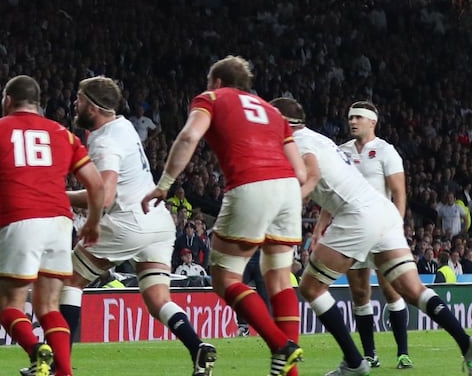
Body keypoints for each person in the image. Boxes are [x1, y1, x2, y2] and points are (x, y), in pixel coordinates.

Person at [270, 97, 472, 376]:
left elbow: (313, 176)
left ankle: (355, 361)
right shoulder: (322, 140)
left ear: (283, 121)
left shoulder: (299, 143)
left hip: (356, 215)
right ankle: (466, 344)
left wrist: (285, 204)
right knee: (412, 290)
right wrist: (318, 227)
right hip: (381, 213)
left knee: (311, 287)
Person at [142, 56, 306, 376]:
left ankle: (281, 345)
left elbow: (189, 137)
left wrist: (164, 184)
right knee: (279, 279)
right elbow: (300, 171)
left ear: (217, 81)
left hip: (250, 183)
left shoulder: (211, 98)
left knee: (225, 277)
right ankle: (289, 372)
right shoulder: (272, 111)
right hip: (288, 188)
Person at [59, 76, 215, 376]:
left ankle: (58, 366)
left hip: (127, 222)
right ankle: (197, 347)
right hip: (157, 221)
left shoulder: (104, 141)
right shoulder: (124, 126)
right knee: (158, 300)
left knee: (69, 282)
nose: (75, 104)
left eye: (79, 99)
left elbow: (104, 197)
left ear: (93, 106)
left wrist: (59, 196)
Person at [0, 75, 105, 376]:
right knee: (49, 306)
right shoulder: (63, 134)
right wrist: (92, 221)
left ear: (8, 100)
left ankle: (37, 351)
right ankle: (64, 372)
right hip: (60, 223)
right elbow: (96, 184)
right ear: (37, 103)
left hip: (20, 220)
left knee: (8, 304)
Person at [339, 101, 412, 369]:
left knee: (391, 289)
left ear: (372, 122)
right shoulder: (342, 152)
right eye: (351, 117)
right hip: (353, 231)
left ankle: (403, 352)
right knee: (360, 293)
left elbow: (399, 192)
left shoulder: (386, 151)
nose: (353, 121)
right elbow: (335, 190)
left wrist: (397, 226)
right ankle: (370, 354)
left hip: (381, 230)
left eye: (358, 117)